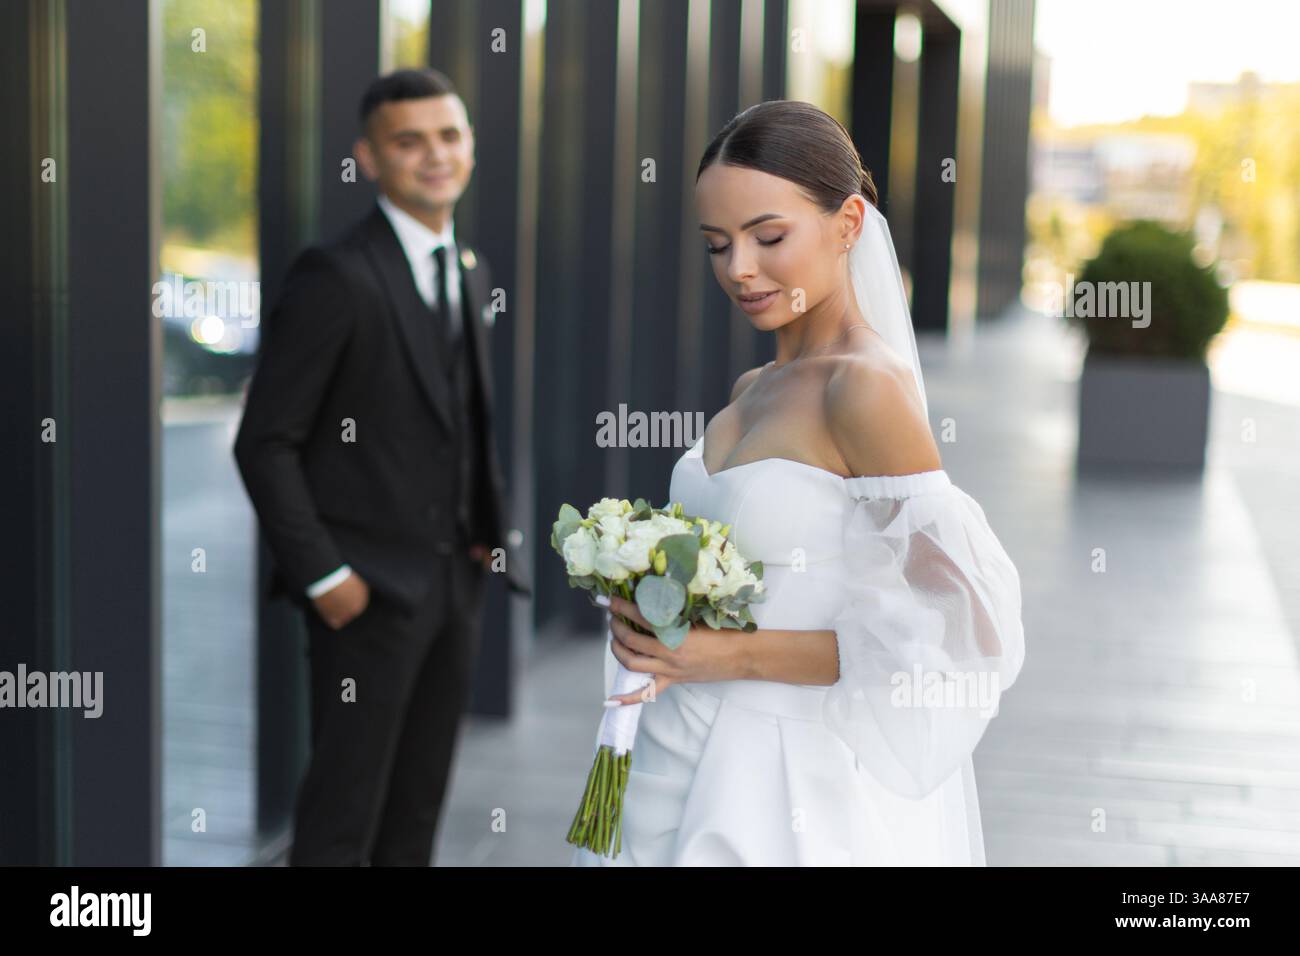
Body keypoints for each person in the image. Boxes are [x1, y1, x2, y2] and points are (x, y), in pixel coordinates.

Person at [572, 100, 1025, 866]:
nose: (739, 269)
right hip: (669, 740)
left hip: (781, 779)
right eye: (717, 244)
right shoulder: (756, 382)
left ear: (848, 224)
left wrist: (726, 655)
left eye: (768, 236)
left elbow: (962, 633)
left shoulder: (864, 389)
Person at [234, 67, 529, 866]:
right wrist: (327, 578)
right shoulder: (336, 275)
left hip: (452, 589)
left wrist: (483, 542)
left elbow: (461, 421)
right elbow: (264, 441)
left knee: (417, 810)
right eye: (409, 141)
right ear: (369, 157)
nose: (435, 155)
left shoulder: (468, 269)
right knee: (341, 818)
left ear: (468, 145)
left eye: (449, 135)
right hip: (363, 597)